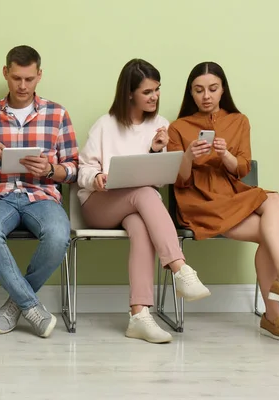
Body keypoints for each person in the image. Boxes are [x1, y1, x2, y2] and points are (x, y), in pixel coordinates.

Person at [167, 61, 279, 341]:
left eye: (212, 89)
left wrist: (225, 156)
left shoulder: (239, 120)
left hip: (233, 194)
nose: (206, 96)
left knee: (275, 201)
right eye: (199, 90)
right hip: (200, 203)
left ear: (223, 90)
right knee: (274, 232)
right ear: (191, 94)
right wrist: (188, 157)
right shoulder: (178, 128)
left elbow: (242, 168)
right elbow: (178, 181)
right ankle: (275, 312)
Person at [77, 59, 210, 344]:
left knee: (140, 227)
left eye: (157, 90)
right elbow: (83, 171)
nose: (155, 97)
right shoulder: (105, 125)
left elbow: (162, 178)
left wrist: (155, 151)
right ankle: (179, 268)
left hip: (135, 208)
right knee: (145, 194)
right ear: (129, 94)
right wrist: (97, 177)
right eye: (147, 92)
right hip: (99, 206)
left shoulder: (161, 127)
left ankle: (139, 315)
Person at [0, 45, 78, 338]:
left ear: (39, 76)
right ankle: (31, 305)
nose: (22, 86)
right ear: (6, 74)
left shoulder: (57, 114)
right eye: (16, 78)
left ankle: (17, 303)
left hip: (42, 196)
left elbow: (73, 169)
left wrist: (50, 170)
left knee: (60, 234)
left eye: (29, 79)